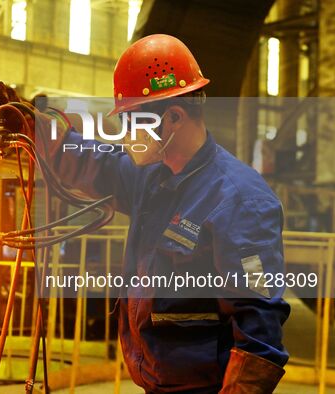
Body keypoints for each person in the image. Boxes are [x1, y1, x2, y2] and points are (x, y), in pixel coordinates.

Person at [31, 34, 290, 393]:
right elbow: (92, 161)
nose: (126, 135)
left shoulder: (240, 201)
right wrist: (32, 128)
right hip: (157, 380)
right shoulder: (151, 175)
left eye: (133, 122)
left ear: (173, 117)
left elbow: (260, 333)